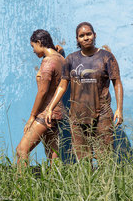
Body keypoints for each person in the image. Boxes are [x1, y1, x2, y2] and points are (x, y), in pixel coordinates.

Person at [46, 22, 123, 162]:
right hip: (77, 116)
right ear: (77, 39)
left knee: (104, 157)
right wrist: (50, 107)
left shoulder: (106, 57)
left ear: (94, 35)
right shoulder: (71, 59)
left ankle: (104, 184)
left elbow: (117, 83)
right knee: (83, 158)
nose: (86, 38)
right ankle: (87, 184)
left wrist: (119, 109)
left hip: (102, 115)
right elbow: (62, 86)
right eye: (82, 36)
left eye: (89, 34)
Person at [16, 29, 65, 168]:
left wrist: (32, 117)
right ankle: (57, 187)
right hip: (57, 114)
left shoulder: (48, 62)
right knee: (53, 156)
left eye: (33, 46)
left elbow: (43, 91)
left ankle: (21, 187)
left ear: (39, 42)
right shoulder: (60, 58)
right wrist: (59, 50)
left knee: (21, 150)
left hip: (45, 113)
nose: (33, 51)